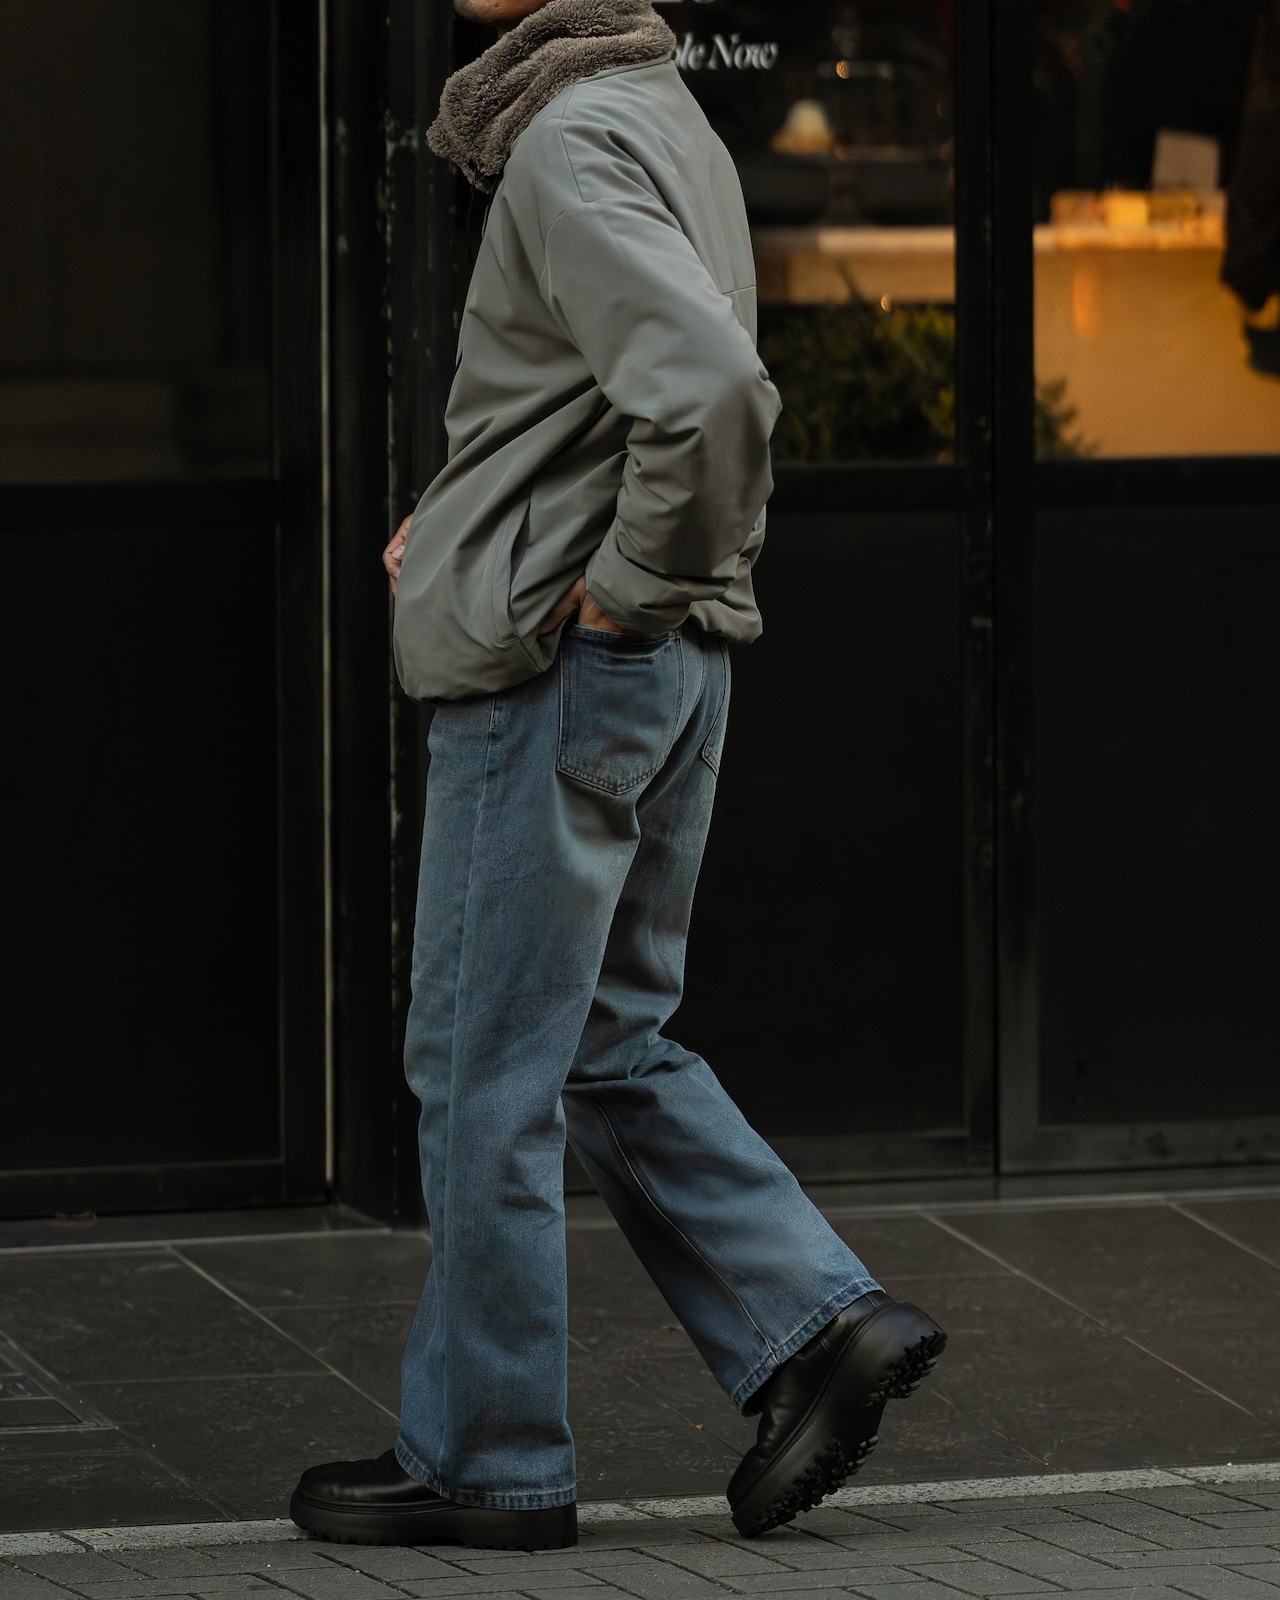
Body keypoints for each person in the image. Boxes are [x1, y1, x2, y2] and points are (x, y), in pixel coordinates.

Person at [290, 0, 946, 1552]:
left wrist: (623, 587)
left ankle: (488, 1458)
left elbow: (708, 393)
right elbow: (598, 407)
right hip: (653, 666)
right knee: (599, 1039)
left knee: (484, 1065)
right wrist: (483, 527)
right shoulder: (653, 113)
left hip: (566, 672)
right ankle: (814, 1324)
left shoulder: (571, 139)